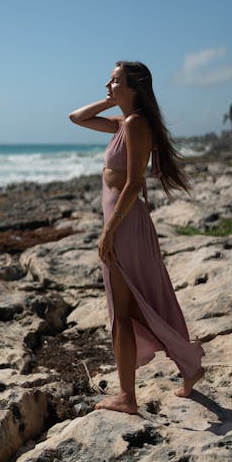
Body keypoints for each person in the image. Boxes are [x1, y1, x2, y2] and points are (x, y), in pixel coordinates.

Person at [69, 61, 204, 414]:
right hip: (122, 221)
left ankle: (128, 397)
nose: (107, 85)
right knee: (131, 308)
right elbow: (77, 117)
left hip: (125, 223)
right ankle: (189, 365)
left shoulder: (136, 124)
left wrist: (109, 230)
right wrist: (113, 101)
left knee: (123, 311)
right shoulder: (123, 123)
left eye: (115, 82)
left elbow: (131, 184)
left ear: (134, 88)